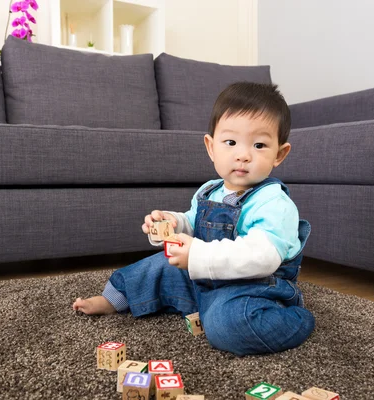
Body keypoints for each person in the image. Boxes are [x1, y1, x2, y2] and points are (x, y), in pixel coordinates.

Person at [73, 82, 315, 356]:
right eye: (231, 142)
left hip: (251, 288)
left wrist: (198, 254)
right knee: (157, 266)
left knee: (227, 326)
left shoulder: (273, 202)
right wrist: (171, 223)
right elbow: (194, 221)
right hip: (202, 278)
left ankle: (293, 319)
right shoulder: (209, 190)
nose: (243, 155)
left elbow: (263, 257)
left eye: (259, 145)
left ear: (279, 155)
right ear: (211, 148)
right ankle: (114, 298)